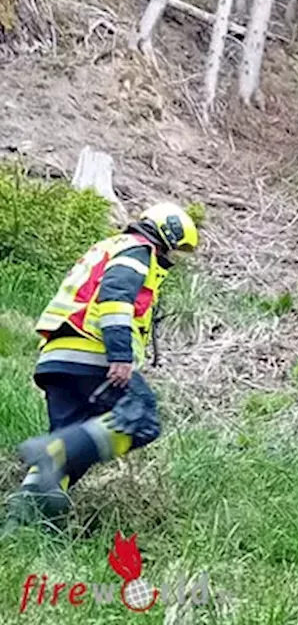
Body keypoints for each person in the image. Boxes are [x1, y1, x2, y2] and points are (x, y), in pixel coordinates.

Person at [5, 203, 198, 530]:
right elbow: (115, 298)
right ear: (167, 235)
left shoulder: (107, 247)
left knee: (72, 442)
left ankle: (22, 524)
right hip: (92, 351)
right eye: (176, 249)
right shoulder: (137, 252)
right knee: (142, 417)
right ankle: (52, 451)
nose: (174, 257)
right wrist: (120, 354)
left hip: (57, 356)